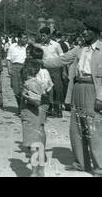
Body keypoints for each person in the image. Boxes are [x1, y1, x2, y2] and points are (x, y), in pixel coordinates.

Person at [41, 20, 102, 177]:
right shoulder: (79, 49)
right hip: (77, 88)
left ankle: (99, 167)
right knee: (76, 127)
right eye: (84, 30)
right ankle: (81, 163)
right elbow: (62, 60)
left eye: (89, 30)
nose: (85, 32)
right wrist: (41, 62)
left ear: (97, 33)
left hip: (93, 90)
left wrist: (100, 97)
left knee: (93, 129)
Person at [20, 47, 53, 177]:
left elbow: (36, 99)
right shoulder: (41, 73)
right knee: (38, 137)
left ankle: (36, 171)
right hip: (38, 109)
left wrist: (26, 96)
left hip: (33, 111)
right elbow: (49, 87)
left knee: (35, 142)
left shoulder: (33, 80)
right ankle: (40, 170)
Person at [38, 26, 64, 117]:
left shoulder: (56, 45)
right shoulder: (40, 46)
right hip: (45, 69)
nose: (42, 38)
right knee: (47, 89)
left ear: (49, 35)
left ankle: (58, 109)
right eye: (41, 36)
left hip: (56, 69)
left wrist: (64, 71)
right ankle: (49, 109)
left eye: (44, 36)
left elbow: (62, 58)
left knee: (58, 89)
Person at [7, 31, 28, 114]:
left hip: (24, 68)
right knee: (15, 89)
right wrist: (9, 69)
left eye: (26, 38)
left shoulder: (28, 47)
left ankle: (22, 109)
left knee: (24, 89)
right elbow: (8, 59)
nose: (25, 40)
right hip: (15, 68)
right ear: (19, 38)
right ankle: (20, 105)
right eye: (24, 38)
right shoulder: (12, 47)